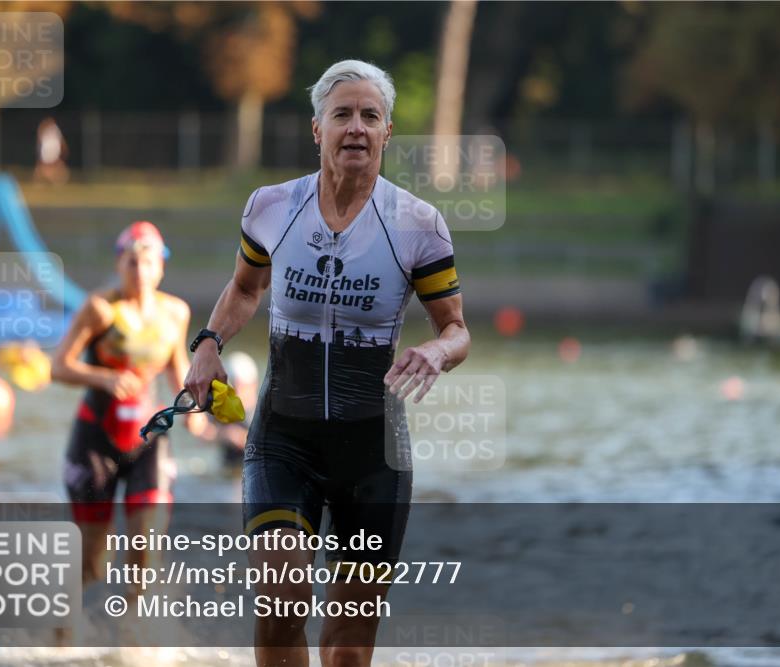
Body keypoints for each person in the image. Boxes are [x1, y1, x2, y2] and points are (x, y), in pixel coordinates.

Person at [184, 59, 471, 667]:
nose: (357, 128)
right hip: (283, 438)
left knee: (347, 642)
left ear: (388, 132)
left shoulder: (419, 224)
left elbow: (457, 330)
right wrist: (208, 344)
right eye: (343, 114)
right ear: (318, 130)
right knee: (280, 603)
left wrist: (436, 351)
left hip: (374, 453)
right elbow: (244, 289)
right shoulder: (270, 207)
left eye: (371, 116)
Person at [51, 221, 206, 594]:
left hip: (147, 440)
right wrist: (103, 378)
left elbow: (175, 369)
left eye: (148, 263)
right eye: (132, 263)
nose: (140, 271)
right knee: (92, 564)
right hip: (96, 439)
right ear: (119, 265)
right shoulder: (101, 309)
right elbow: (58, 366)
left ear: (161, 268)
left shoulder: (175, 313)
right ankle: (59, 639)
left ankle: (136, 644)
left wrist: (197, 406)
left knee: (145, 554)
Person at [195, 351, 260, 468]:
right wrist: (223, 434)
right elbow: (200, 432)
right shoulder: (221, 408)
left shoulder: (261, 412)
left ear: (254, 385)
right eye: (235, 387)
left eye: (244, 387)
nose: (240, 392)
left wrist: (240, 438)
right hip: (228, 468)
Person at [34, 117, 69, 185]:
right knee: (46, 166)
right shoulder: (45, 129)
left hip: (53, 149)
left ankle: (48, 180)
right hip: (47, 150)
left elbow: (61, 140)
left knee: (49, 166)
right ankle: (44, 180)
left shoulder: (55, 129)